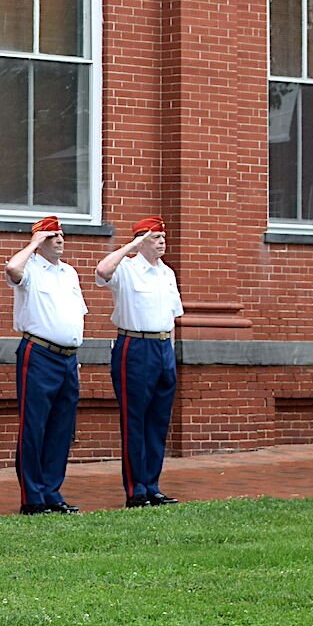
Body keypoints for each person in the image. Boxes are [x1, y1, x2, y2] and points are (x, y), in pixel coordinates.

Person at [96, 216, 184, 507]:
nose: (162, 242)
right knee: (135, 420)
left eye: (163, 237)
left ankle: (152, 485)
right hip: (134, 346)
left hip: (162, 348)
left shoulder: (167, 273)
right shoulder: (127, 269)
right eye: (155, 237)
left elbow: (171, 318)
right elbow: (102, 270)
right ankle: (136, 490)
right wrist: (132, 245)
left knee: (158, 421)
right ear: (141, 240)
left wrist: (169, 356)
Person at [5, 216, 87, 515]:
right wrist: (34, 242)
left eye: (61, 235)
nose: (60, 240)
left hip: (67, 357)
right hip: (38, 354)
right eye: (53, 236)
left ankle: (52, 492)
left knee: (61, 428)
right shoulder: (29, 268)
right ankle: (33, 497)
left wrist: (75, 355)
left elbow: (76, 314)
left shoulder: (69, 273)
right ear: (41, 241)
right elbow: (12, 269)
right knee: (35, 426)